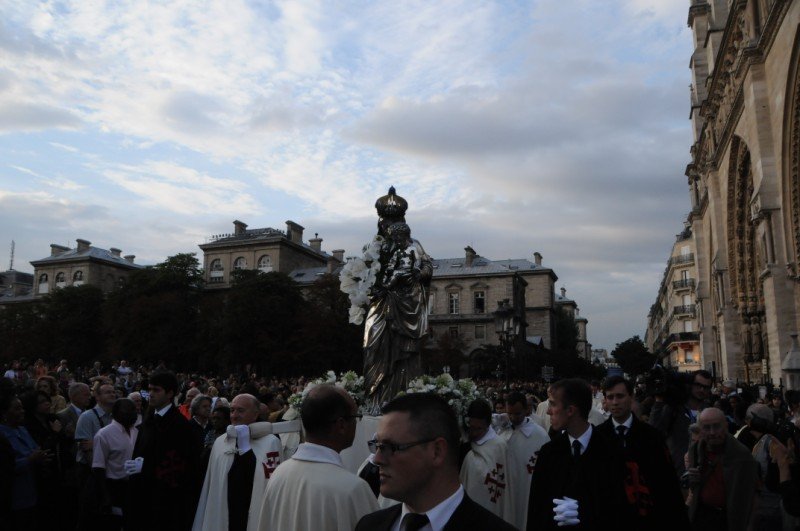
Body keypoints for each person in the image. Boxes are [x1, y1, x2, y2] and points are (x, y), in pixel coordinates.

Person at [355, 393, 515, 531]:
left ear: (437, 451)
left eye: (390, 447)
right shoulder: (369, 526)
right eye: (377, 446)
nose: (377, 459)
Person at [258, 384, 378, 531]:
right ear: (341, 425)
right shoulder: (352, 489)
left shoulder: (279, 474)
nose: (356, 423)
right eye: (356, 417)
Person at [527, 378, 627, 531]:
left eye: (553, 404)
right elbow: (537, 509)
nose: (548, 411)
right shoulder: (549, 452)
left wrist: (585, 512)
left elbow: (621, 509)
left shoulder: (611, 451)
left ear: (570, 410)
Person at [362, 188, 433, 405]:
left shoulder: (413, 244)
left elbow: (428, 265)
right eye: (386, 219)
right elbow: (364, 275)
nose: (389, 224)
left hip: (407, 303)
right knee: (373, 345)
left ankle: (403, 396)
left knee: (406, 352)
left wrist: (418, 273)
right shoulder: (373, 246)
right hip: (381, 301)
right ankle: (375, 397)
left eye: (395, 219)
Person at [596, 375, 688, 531]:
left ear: (631, 397)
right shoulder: (598, 437)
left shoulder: (652, 436)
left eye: (620, 396)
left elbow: (667, 483)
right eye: (610, 397)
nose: (615, 402)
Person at [193, 394, 282, 531]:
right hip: (224, 509)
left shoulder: (270, 442)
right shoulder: (221, 442)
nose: (234, 415)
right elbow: (212, 485)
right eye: (232, 410)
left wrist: (245, 450)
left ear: (255, 414)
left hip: (251, 510)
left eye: (240, 411)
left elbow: (267, 483)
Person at [128, 371, 202, 531]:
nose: (151, 394)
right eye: (150, 390)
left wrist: (146, 468)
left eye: (156, 390)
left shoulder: (181, 426)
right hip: (143, 498)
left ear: (170, 393)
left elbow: (183, 467)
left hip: (167, 503)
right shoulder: (149, 421)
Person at [685, 407, 758, 531]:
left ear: (725, 426)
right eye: (707, 428)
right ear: (700, 429)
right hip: (702, 515)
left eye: (716, 426)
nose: (712, 432)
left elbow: (752, 495)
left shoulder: (741, 455)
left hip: (727, 519)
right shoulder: (696, 450)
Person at [0, 392, 53, 530]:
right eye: (17, 409)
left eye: (22, 408)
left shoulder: (22, 430)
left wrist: (41, 457)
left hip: (33, 491)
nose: (22, 411)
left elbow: (34, 449)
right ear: (4, 413)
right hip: (14, 496)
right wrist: (30, 460)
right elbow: (6, 467)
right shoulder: (2, 435)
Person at [499, 391, 549, 530]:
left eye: (517, 414)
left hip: (527, 487)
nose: (513, 418)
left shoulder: (539, 435)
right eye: (510, 414)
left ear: (526, 410)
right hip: (505, 487)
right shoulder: (501, 430)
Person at [650, 369, 713, 477]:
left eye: (706, 387)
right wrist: (659, 401)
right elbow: (654, 432)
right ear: (689, 385)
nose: (702, 389)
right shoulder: (673, 409)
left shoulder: (711, 412)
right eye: (698, 385)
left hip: (704, 475)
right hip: (677, 473)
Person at [459, 398, 511, 519]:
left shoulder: (499, 446)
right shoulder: (465, 445)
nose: (474, 433)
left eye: (479, 429)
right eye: (471, 427)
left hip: (492, 506)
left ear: (488, 425)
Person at [92, 398, 139, 530]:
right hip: (115, 487)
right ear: (117, 413)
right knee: (116, 523)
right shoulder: (104, 434)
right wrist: (105, 496)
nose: (133, 414)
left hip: (134, 485)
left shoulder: (137, 432)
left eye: (134, 410)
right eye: (128, 411)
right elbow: (98, 467)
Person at [56, 381, 90, 529]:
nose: (89, 397)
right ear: (75, 396)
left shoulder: (89, 414)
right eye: (86, 394)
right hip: (71, 468)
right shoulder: (62, 416)